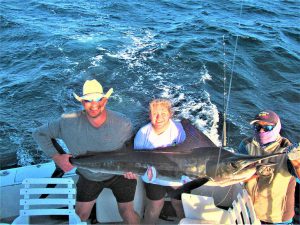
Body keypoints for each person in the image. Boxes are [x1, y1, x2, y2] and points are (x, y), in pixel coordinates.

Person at [32, 79, 140, 224]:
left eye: (98, 99)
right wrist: (57, 157)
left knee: (127, 211)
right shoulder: (67, 122)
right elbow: (39, 133)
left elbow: (131, 149)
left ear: (105, 100)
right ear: (82, 103)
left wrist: (132, 168)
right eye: (88, 100)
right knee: (80, 215)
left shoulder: (123, 123)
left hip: (119, 174)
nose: (93, 104)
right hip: (89, 175)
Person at [237, 110, 300, 224]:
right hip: (249, 210)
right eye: (257, 126)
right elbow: (238, 174)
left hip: (277, 218)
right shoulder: (247, 144)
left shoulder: (287, 149)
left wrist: (295, 161)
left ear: (277, 128)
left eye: (267, 128)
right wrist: (256, 174)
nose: (261, 130)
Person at [133, 99, 187, 224]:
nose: (159, 118)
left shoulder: (179, 130)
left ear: (170, 114)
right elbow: (136, 160)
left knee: (179, 204)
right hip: (153, 177)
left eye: (163, 113)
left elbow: (186, 154)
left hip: (176, 176)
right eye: (155, 114)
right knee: (155, 205)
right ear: (149, 115)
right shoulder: (142, 133)